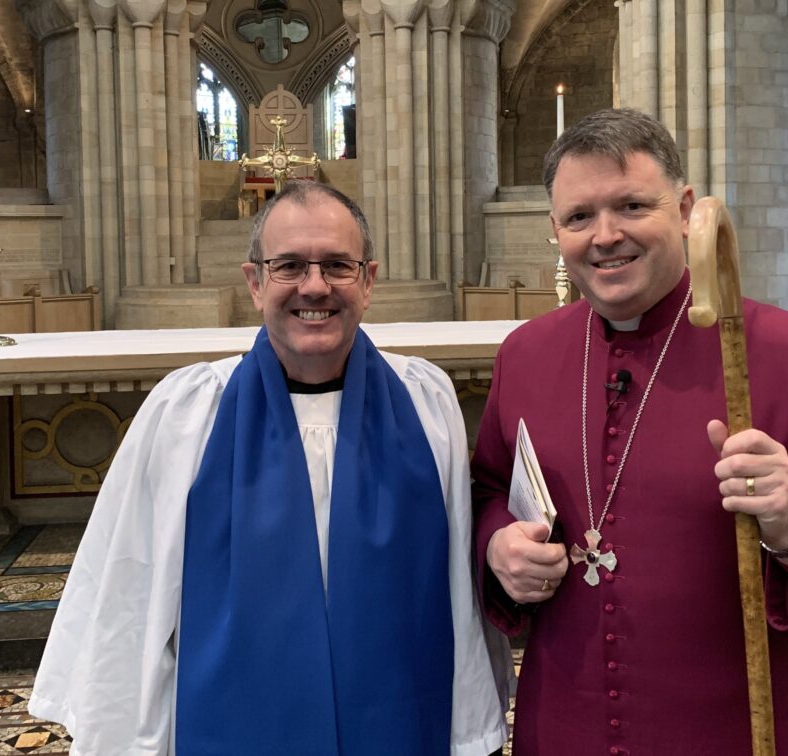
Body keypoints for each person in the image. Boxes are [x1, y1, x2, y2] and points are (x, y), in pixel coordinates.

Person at [471, 109, 788, 755]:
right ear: (555, 230)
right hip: (565, 729)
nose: (605, 235)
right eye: (580, 217)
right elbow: (488, 492)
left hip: (743, 734)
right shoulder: (525, 355)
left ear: (686, 209)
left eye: (633, 205)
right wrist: (497, 547)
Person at [30, 181, 509, 755]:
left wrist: (472, 726)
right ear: (255, 282)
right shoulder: (187, 413)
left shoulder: (426, 404)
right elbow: (133, 591)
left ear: (368, 280)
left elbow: (455, 592)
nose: (315, 286)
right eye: (289, 266)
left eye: (337, 265)